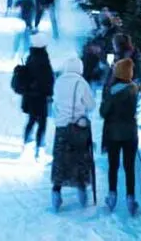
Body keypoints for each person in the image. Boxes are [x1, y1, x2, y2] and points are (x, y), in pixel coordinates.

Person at [51, 56, 96, 211]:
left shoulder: (59, 82)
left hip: (61, 127)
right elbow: (91, 105)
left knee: (60, 158)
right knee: (80, 158)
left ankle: (56, 192)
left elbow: (55, 103)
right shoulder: (81, 83)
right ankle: (81, 188)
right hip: (79, 127)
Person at [100, 58, 141, 216]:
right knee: (129, 167)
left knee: (113, 166)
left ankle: (112, 196)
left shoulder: (112, 91)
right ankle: (131, 199)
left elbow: (103, 112)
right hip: (131, 133)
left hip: (113, 134)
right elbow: (140, 112)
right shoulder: (135, 89)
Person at [20, 33, 54, 159]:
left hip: (30, 96)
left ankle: (25, 143)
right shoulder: (43, 59)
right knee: (42, 122)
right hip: (41, 96)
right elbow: (47, 78)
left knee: (32, 120)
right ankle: (39, 149)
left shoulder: (31, 57)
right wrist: (50, 93)